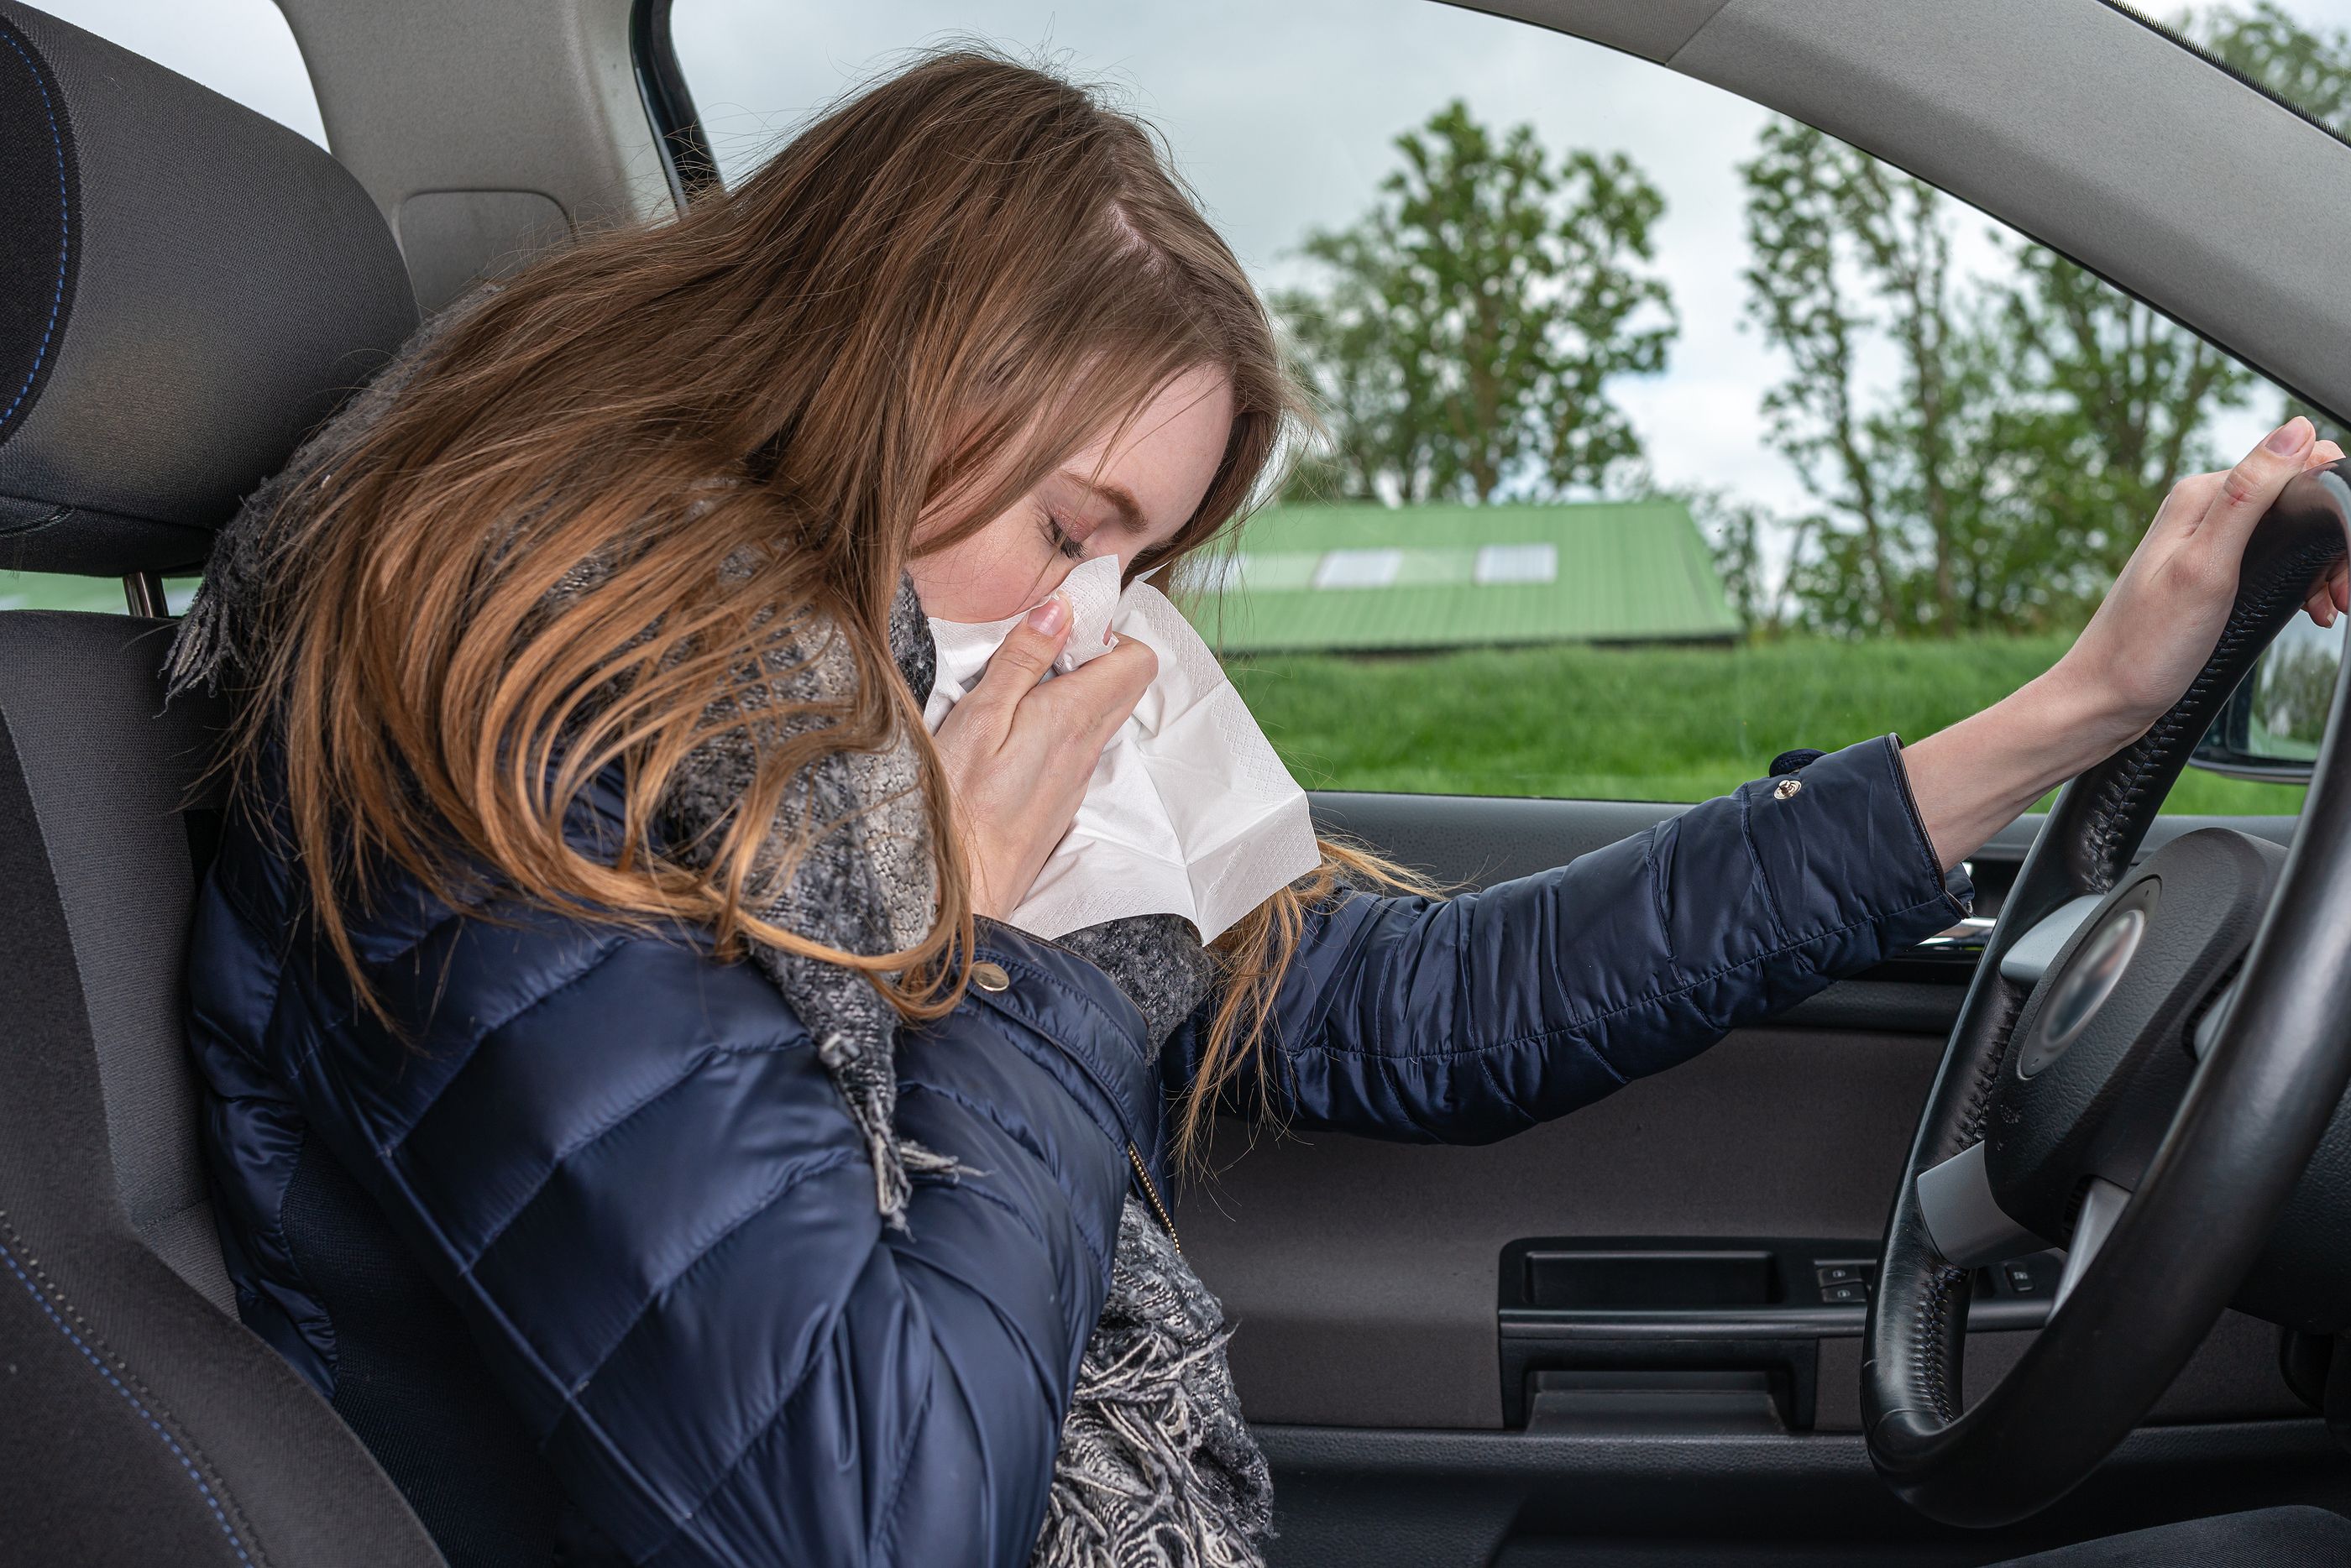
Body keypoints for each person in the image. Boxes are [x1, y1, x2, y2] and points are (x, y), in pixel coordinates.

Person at [171, 49, 2349, 1568]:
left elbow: (1423, 1005)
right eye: (1073, 518)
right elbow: (851, 1522)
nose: (1105, 616)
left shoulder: (879, 704)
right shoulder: (558, 740)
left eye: (1151, 547)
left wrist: (2068, 711)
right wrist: (1005, 964)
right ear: (868, 390)